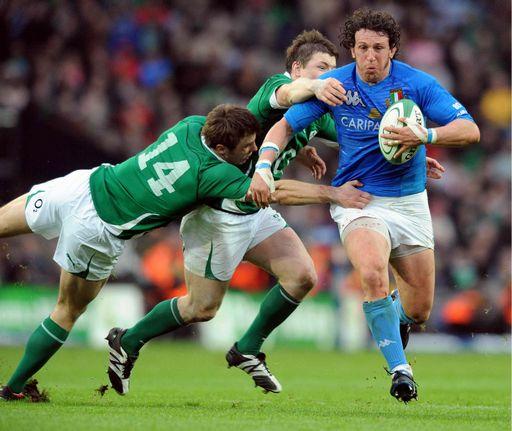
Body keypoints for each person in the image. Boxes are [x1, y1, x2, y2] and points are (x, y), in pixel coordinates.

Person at [105, 29, 444, 397]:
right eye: (321, 68)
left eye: (333, 69)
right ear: (297, 69)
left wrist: (407, 156)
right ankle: (128, 340)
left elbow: (361, 135)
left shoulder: (318, 109)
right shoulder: (278, 89)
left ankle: (247, 348)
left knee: (302, 276)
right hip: (221, 214)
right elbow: (286, 105)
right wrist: (333, 193)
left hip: (256, 212)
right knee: (200, 308)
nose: (330, 77)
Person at [248, 9, 480, 403]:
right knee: (372, 273)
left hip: (409, 202)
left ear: (393, 50)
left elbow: (470, 130)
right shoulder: (336, 86)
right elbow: (284, 126)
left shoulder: (417, 84)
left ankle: (394, 318)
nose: (370, 56)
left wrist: (425, 135)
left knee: (419, 311)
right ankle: (400, 371)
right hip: (359, 200)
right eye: (362, 48)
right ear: (352, 50)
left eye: (378, 48)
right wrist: (264, 165)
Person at [0, 104, 272, 401]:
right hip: (98, 228)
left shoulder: (191, 125)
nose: (254, 150)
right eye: (247, 146)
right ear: (220, 149)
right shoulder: (214, 173)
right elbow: (268, 192)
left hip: (82, 185)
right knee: (66, 311)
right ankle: (13, 389)